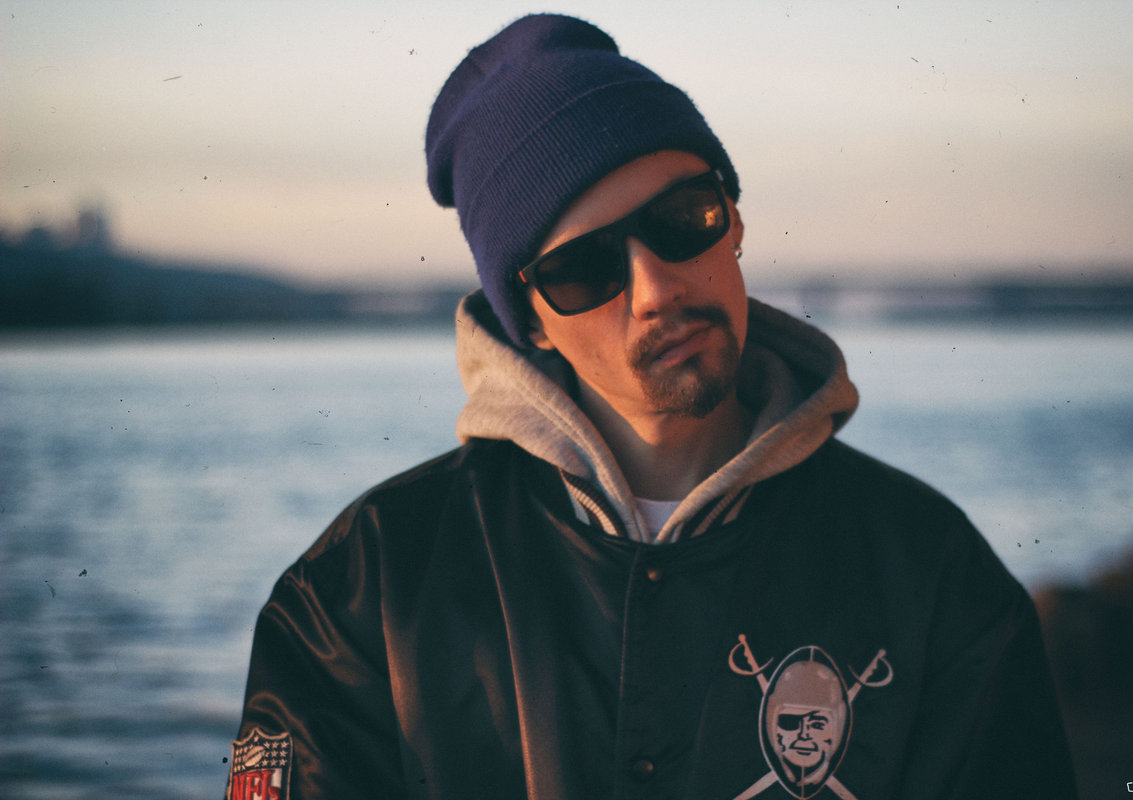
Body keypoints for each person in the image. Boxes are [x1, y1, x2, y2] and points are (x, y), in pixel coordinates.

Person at [227, 13, 1077, 800]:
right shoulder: (363, 587)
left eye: (683, 219)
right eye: (583, 270)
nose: (656, 289)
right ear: (531, 323)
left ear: (733, 221)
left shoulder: (929, 571)